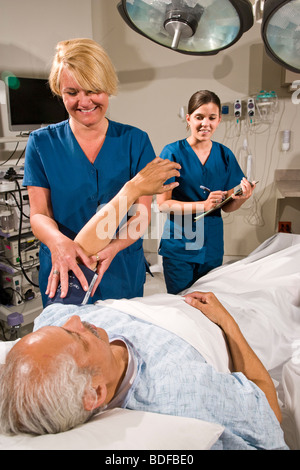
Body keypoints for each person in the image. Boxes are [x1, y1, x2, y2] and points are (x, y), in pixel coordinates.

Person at [0, 290, 287, 450]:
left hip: (180, 297)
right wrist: (227, 321)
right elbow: (270, 417)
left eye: (61, 329)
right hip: (232, 311)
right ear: (95, 392)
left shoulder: (52, 325)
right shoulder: (184, 392)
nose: (74, 317)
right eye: (76, 337)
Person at [23, 38, 160, 306]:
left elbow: (141, 214)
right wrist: (59, 244)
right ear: (59, 91)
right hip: (65, 267)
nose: (83, 102)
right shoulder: (41, 143)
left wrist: (115, 247)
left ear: (107, 88)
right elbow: (39, 214)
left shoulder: (135, 141)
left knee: (119, 343)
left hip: (120, 267)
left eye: (93, 90)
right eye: (72, 92)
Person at [157, 90, 256, 294]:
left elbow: (228, 207)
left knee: (207, 308)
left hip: (211, 248)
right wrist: (203, 205)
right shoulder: (172, 152)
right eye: (199, 117)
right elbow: (163, 204)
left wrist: (243, 197)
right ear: (189, 118)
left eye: (212, 118)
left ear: (219, 120)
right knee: (180, 307)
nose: (205, 124)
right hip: (180, 248)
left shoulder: (224, 155)